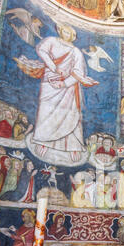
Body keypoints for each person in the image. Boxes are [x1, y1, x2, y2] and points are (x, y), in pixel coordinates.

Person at [32, 24, 99, 162]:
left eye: (69, 32)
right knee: (46, 111)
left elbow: (78, 74)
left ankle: (73, 146)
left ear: (73, 36)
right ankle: (43, 141)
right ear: (59, 30)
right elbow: (41, 50)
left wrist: (64, 83)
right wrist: (54, 67)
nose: (65, 33)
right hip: (49, 82)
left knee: (69, 114)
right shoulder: (50, 41)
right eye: (63, 30)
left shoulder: (76, 52)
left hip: (67, 88)